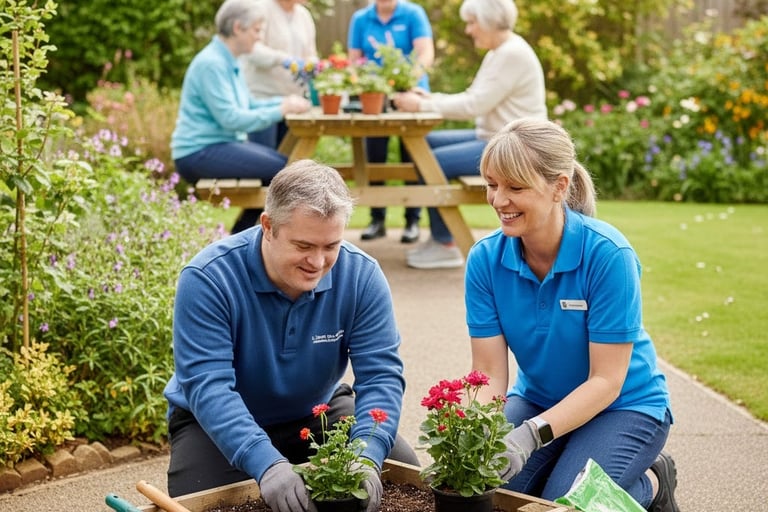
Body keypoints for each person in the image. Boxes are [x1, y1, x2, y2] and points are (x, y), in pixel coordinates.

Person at [163, 159, 420, 512]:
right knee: (202, 504)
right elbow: (209, 387)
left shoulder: (361, 276)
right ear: (268, 226)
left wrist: (367, 453)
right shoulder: (208, 278)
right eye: (303, 246)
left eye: (331, 245)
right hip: (211, 423)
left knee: (407, 484)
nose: (318, 261)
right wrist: (265, 463)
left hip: (317, 410)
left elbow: (381, 376)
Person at [465, 118, 680, 511]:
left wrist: (530, 436)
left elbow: (606, 381)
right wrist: (476, 433)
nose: (498, 201)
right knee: (481, 493)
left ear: (559, 187)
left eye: (515, 187)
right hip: (539, 401)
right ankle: (570, 467)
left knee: (565, 505)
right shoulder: (485, 260)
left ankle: (649, 485)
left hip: (624, 407)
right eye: (492, 185)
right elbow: (490, 373)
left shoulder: (608, 255)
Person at [393, 0, 546, 269]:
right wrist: (429, 97)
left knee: (434, 161)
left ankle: (445, 243)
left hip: (517, 146)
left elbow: (474, 106)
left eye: (472, 22)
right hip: (494, 137)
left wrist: (421, 105)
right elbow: (474, 97)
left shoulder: (512, 54)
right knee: (423, 146)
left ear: (488, 22)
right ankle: (441, 236)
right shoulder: (498, 52)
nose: (468, 30)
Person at [170, 0, 311, 235]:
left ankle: (239, 236)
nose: (259, 37)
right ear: (238, 28)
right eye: (256, 30)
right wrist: (281, 110)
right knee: (283, 170)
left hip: (217, 145)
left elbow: (248, 104)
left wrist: (283, 103)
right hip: (198, 152)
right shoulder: (212, 64)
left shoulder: (228, 60)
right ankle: (240, 238)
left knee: (285, 167)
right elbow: (232, 119)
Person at [348, 0, 435, 244]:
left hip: (410, 95)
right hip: (375, 97)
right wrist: (365, 83)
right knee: (374, 156)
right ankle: (377, 220)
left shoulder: (413, 14)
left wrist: (405, 79)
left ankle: (412, 221)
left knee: (413, 156)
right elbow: (354, 59)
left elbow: (425, 52)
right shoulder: (361, 19)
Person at [240, 0, 318, 148]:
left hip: (294, 102)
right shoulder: (260, 8)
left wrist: (311, 65)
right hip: (263, 100)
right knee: (264, 163)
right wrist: (283, 59)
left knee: (289, 161)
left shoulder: (304, 16)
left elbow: (310, 53)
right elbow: (251, 50)